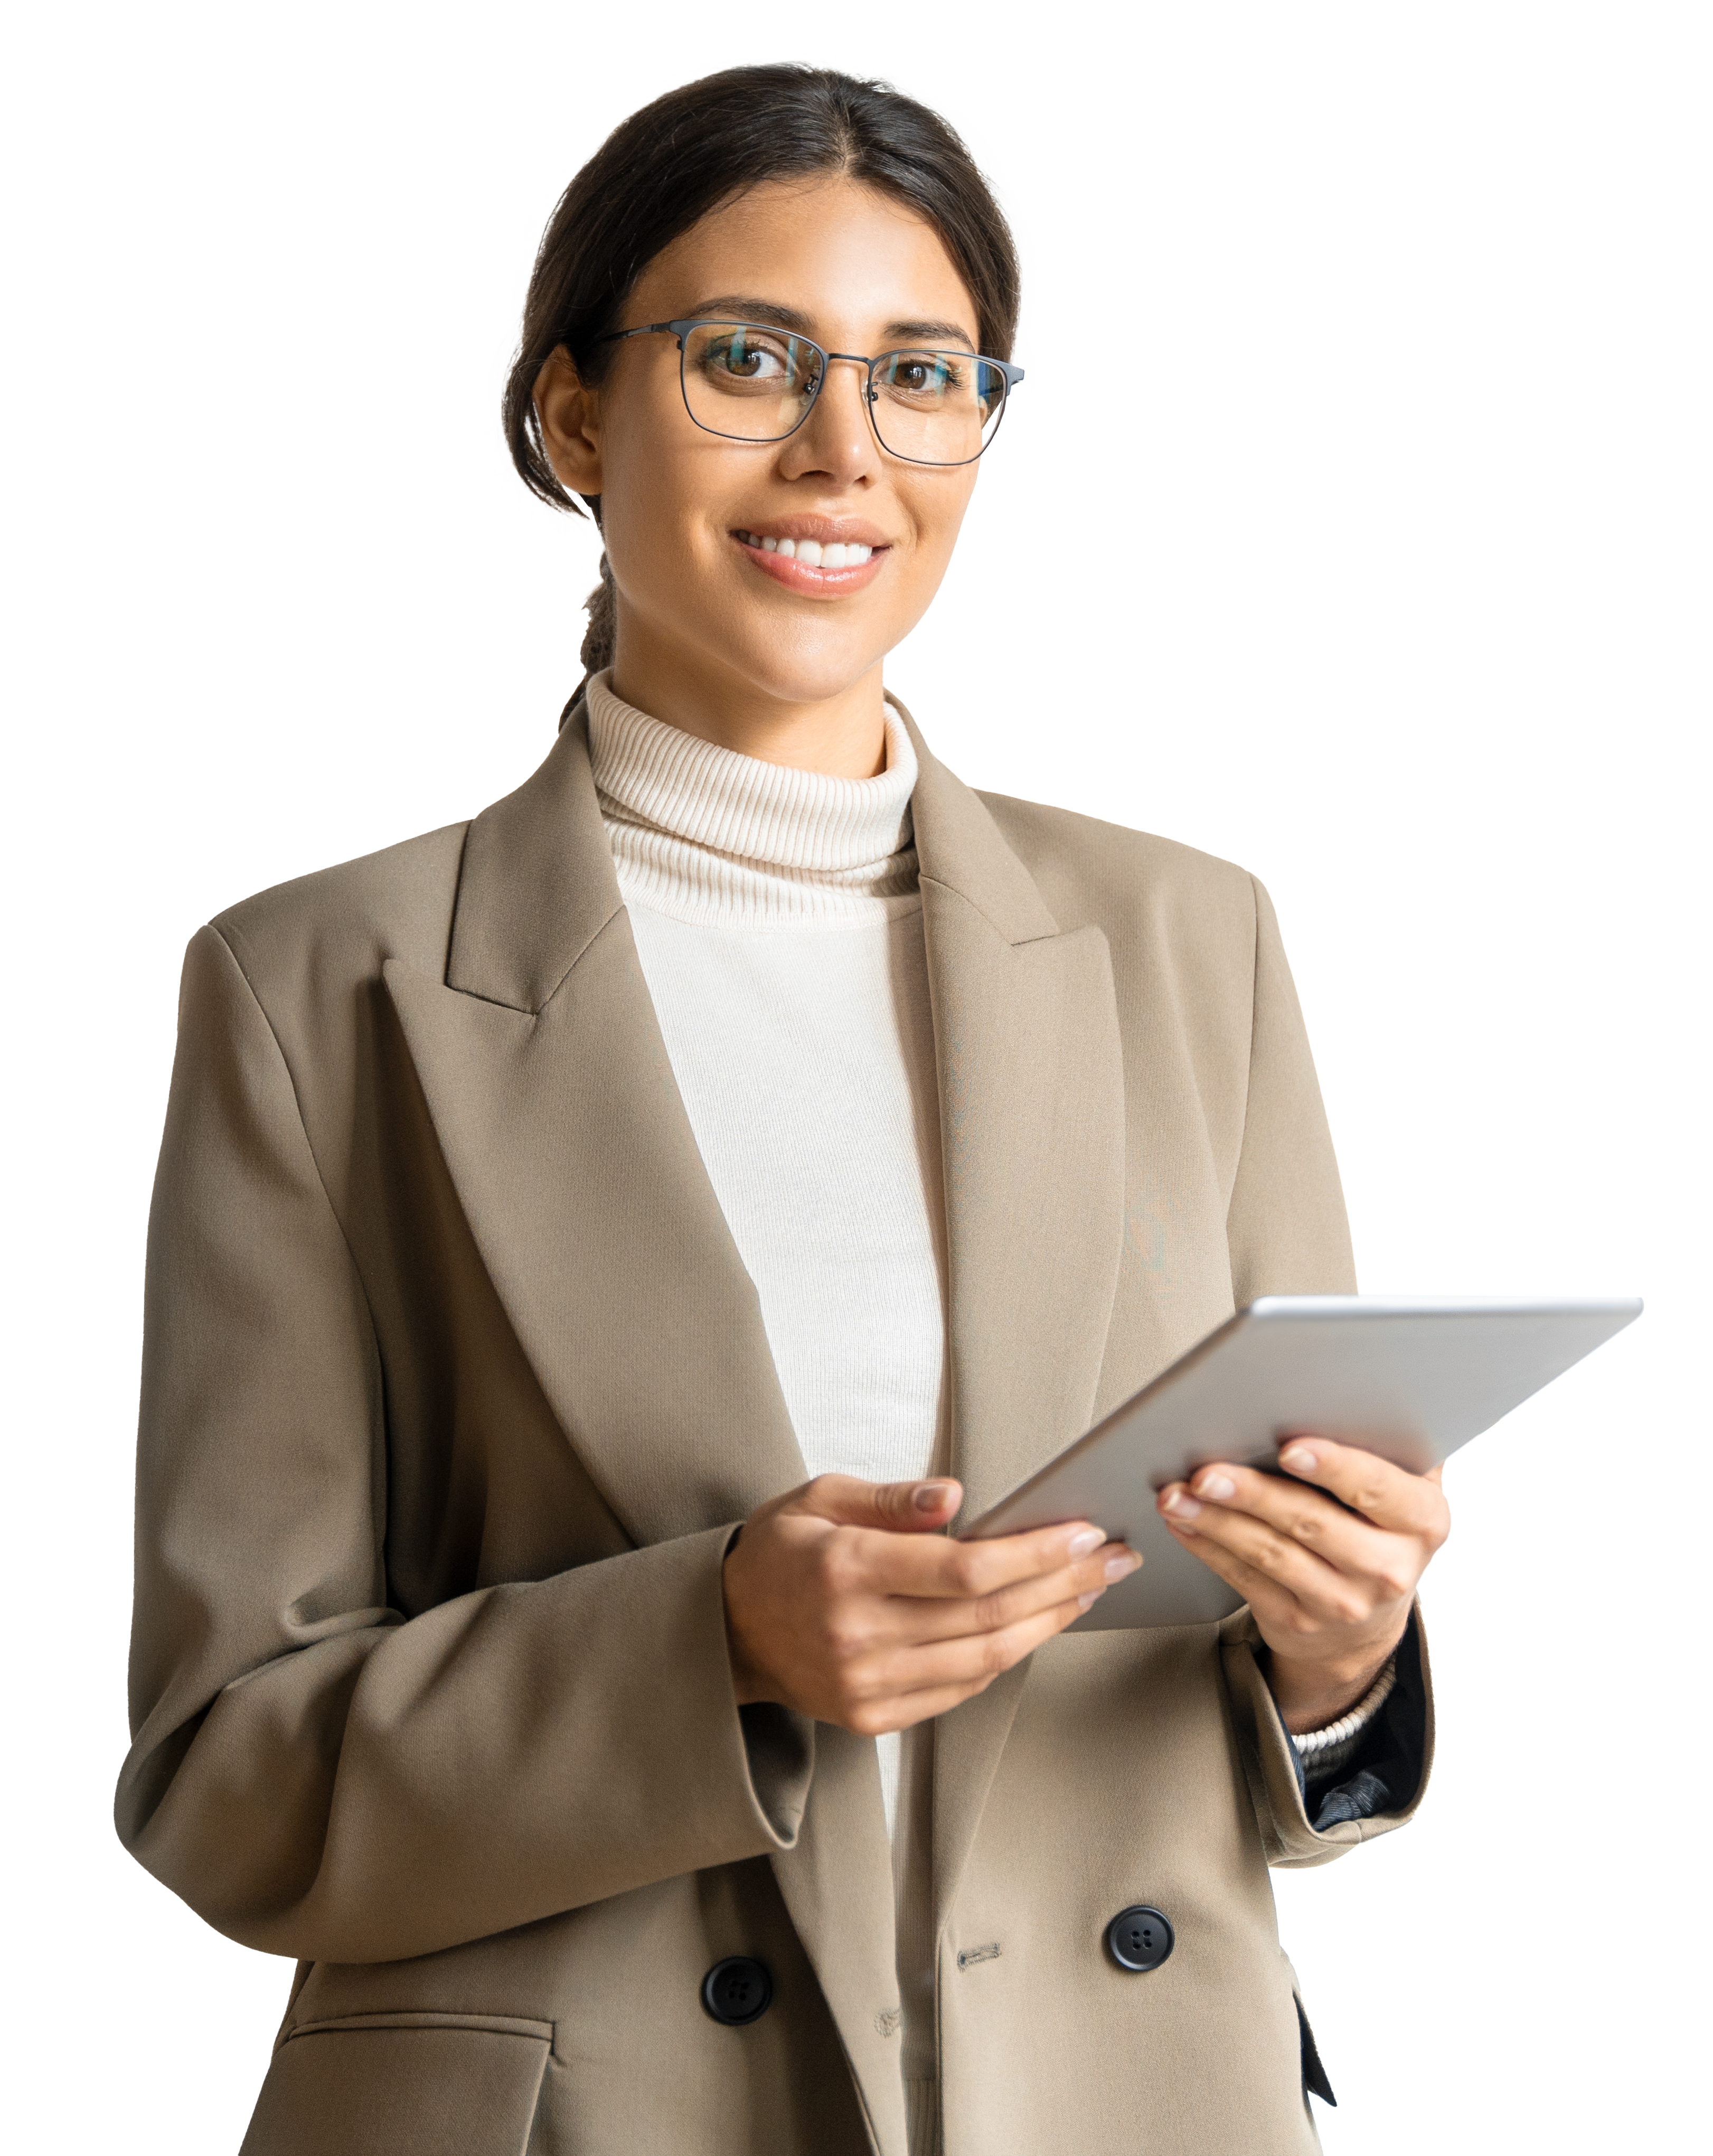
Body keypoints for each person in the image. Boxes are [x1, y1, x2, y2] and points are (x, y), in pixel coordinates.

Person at [117, 61, 1448, 2156]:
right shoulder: (320, 992)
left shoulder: (1193, 943)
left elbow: (1262, 1721)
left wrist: (1343, 1651)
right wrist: (707, 1639)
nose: (846, 450)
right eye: (747, 358)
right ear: (570, 416)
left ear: (983, 433)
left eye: (922, 372)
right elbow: (225, 1777)